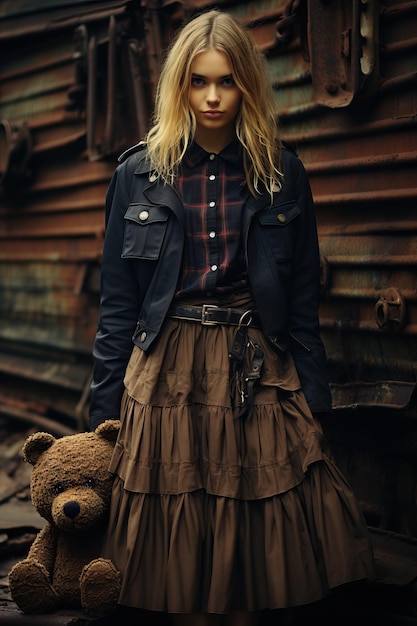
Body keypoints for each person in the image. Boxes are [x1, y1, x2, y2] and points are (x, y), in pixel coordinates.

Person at [89, 9, 375, 626]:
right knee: (175, 565)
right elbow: (118, 306)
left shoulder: (282, 175)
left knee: (258, 568)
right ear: (179, 85)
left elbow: (302, 302)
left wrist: (314, 401)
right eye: (198, 81)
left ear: (247, 82)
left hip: (255, 364)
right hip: (165, 369)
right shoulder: (137, 176)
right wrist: (102, 418)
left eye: (226, 80)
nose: (213, 97)